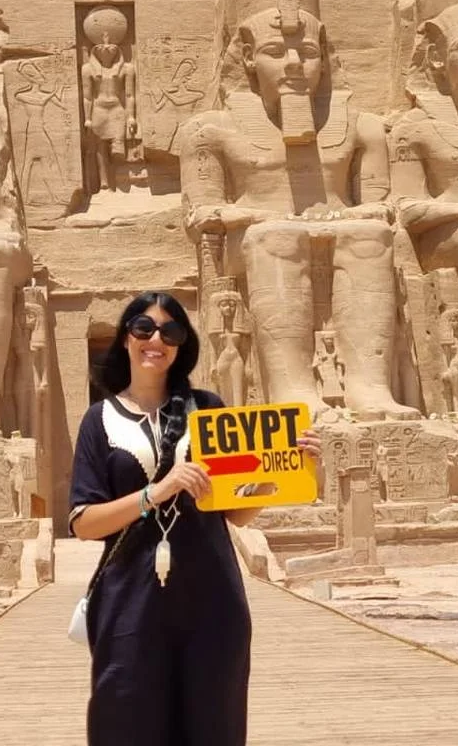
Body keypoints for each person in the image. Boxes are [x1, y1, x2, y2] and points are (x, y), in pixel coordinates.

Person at [68, 291, 322, 745]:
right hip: (130, 601)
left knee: (214, 726)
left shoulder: (207, 409)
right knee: (124, 723)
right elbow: (84, 523)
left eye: (171, 332)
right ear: (125, 338)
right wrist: (156, 492)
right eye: (144, 328)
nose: (156, 341)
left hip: (212, 600)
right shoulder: (98, 420)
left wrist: (287, 470)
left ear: (182, 344)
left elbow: (236, 514)